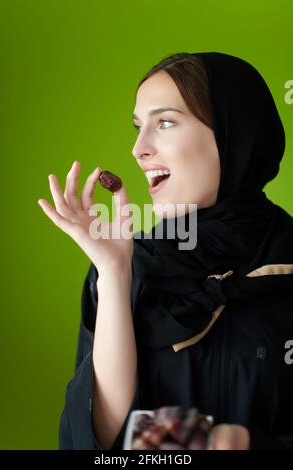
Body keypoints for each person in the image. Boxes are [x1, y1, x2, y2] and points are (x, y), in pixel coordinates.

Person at [38, 52, 293, 450]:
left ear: (234, 133)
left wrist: (243, 443)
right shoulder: (130, 266)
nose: (138, 149)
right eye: (139, 127)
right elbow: (98, 439)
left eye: (166, 122)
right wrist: (115, 274)